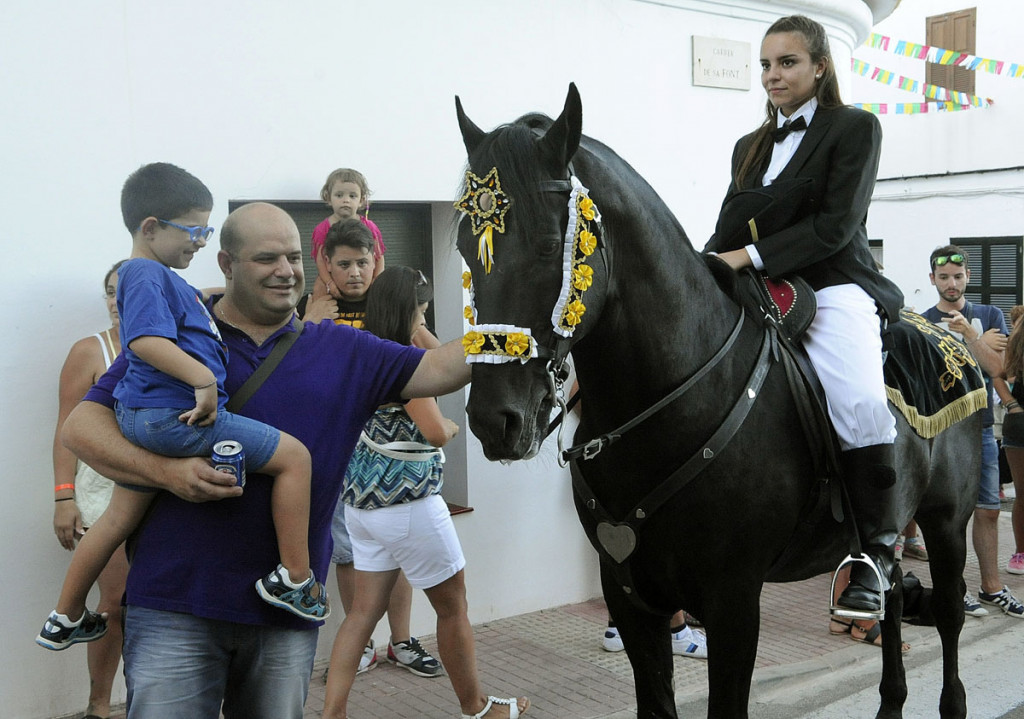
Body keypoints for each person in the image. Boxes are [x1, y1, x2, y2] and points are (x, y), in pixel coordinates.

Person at [60, 201, 516, 718]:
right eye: (266, 258)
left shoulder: (344, 349)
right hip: (174, 605)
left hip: (285, 614)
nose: (286, 271)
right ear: (227, 265)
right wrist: (167, 473)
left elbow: (437, 368)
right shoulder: (184, 344)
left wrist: (513, 334)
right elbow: (81, 429)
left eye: (295, 257)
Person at [38, 165, 327, 655]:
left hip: (144, 418)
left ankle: (64, 616)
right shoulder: (145, 273)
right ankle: (295, 579)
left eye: (207, 230)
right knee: (294, 458)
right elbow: (146, 340)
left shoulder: (164, 278)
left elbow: (196, 305)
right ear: (151, 228)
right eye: (195, 231)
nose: (200, 241)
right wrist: (200, 379)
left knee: (115, 519)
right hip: (173, 416)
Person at [704, 14, 903, 617]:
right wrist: (700, 265)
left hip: (833, 282)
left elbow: (837, 226)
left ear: (820, 66)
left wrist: (747, 255)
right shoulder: (749, 146)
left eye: (786, 62)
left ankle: (876, 553)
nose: (773, 75)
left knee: (862, 400)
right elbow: (729, 227)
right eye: (765, 64)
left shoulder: (856, 128)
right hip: (758, 284)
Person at [322, 266, 528, 719]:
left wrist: (418, 328)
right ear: (408, 311)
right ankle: (476, 708)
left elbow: (445, 360)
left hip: (364, 508)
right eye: (422, 309)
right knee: (454, 609)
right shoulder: (401, 363)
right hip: (410, 506)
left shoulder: (363, 353)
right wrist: (451, 426)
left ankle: (331, 713)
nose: (426, 318)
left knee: (360, 614)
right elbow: (435, 431)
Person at [301, 218, 441, 675]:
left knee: (398, 554)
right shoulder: (314, 309)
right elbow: (298, 374)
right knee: (348, 554)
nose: (355, 272)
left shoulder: (393, 305)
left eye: (363, 261)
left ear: (376, 261)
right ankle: (362, 646)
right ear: (326, 264)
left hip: (398, 460)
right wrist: (309, 322)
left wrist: (409, 320)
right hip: (341, 455)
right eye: (344, 263)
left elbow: (437, 361)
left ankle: (402, 640)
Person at [923, 244, 1024, 619]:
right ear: (932, 279)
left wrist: (968, 333)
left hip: (980, 428)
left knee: (988, 508)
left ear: (968, 277)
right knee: (948, 514)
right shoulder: (920, 322)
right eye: (944, 277)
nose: (952, 284)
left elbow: (999, 369)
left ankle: (992, 587)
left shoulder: (988, 314)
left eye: (959, 276)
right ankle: (954, 589)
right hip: (940, 431)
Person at [47, 260, 127, 718]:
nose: (117, 302)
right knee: (115, 602)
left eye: (128, 292)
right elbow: (66, 429)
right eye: (111, 292)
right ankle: (99, 705)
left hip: (162, 492)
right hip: (101, 498)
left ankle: (147, 698)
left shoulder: (172, 345)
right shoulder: (90, 350)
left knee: (154, 607)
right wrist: (63, 497)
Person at [310, 167, 385, 302]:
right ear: (328, 197)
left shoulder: (370, 226)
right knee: (318, 289)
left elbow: (379, 257)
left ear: (361, 200)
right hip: (331, 275)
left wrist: (376, 280)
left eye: (352, 196)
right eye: (339, 195)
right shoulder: (322, 229)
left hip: (364, 277)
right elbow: (321, 261)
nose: (346, 200)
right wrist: (329, 283)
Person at [1001, 309, 1024, 576]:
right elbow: (999, 373)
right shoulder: (1016, 336)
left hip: (1018, 422)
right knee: (1022, 494)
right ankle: (1020, 552)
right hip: (1020, 424)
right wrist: (1012, 404)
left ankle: (1020, 552)